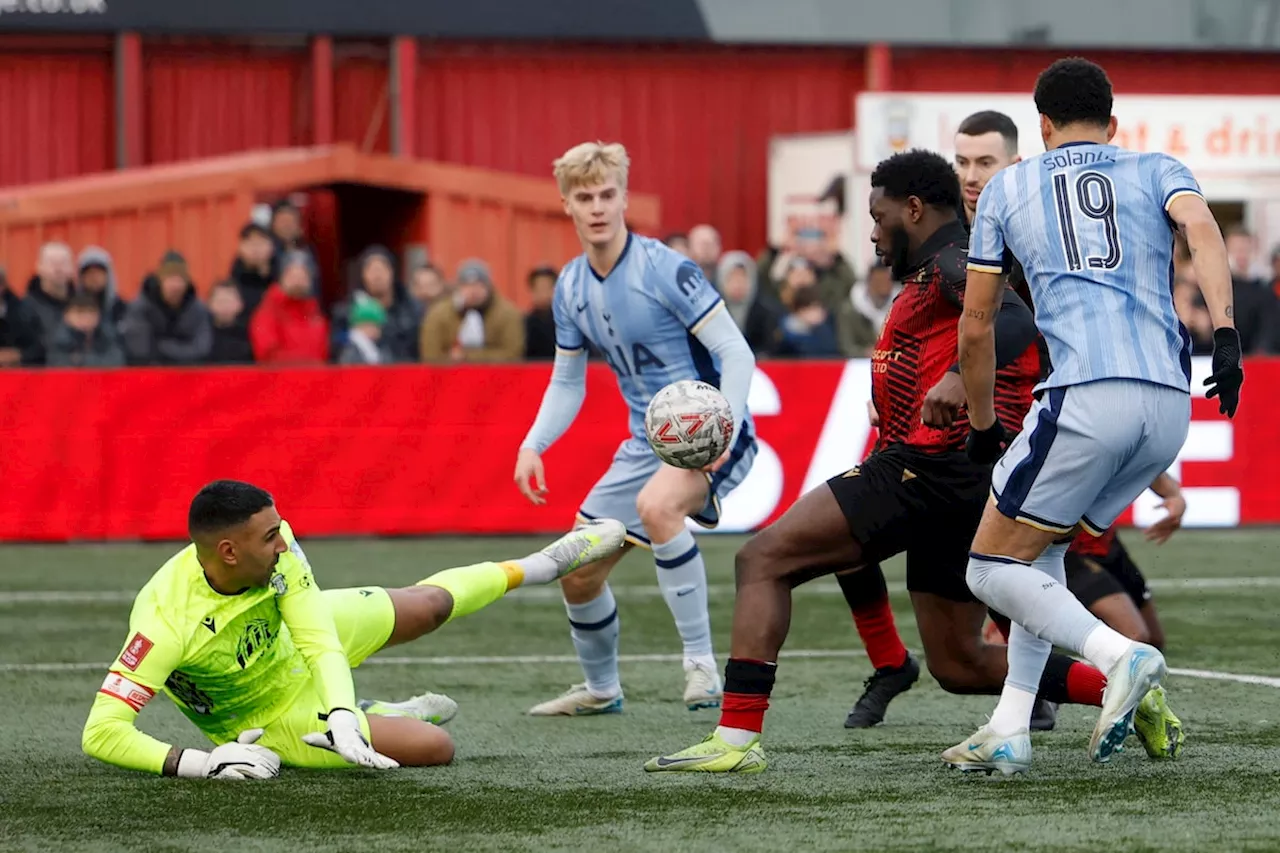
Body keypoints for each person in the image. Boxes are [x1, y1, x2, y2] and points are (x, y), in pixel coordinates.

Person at [645, 149, 1103, 775]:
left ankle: (736, 737)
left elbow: (1020, 322)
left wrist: (951, 378)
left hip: (926, 469)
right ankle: (1119, 686)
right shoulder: (932, 272)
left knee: (762, 560)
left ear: (912, 210)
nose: (871, 230)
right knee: (959, 665)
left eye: (877, 214)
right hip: (961, 479)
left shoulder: (950, 261)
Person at [951, 57, 1242, 774]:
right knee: (1041, 553)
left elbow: (977, 325)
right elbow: (1202, 227)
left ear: (1041, 126)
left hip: (1086, 393)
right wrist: (1227, 335)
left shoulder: (1009, 185)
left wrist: (985, 423)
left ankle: (1122, 655)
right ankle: (1010, 726)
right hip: (1170, 405)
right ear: (1114, 124)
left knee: (988, 567)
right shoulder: (1154, 166)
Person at [81, 479, 626, 778]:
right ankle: (388, 714)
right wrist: (199, 762)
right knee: (436, 747)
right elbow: (101, 732)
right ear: (228, 551)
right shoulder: (165, 623)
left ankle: (543, 564)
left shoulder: (280, 552)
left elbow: (318, 639)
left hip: (296, 641)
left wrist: (339, 710)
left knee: (430, 605)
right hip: (266, 716)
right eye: (270, 536)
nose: (284, 541)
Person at [513, 141, 757, 715]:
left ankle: (701, 666)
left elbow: (736, 353)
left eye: (606, 195)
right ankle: (602, 691)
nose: (597, 207)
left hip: (709, 436)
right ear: (567, 205)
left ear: (624, 199)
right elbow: (568, 382)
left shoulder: (666, 269)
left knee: (657, 506)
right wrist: (533, 443)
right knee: (577, 571)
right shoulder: (570, 287)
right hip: (644, 443)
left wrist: (725, 427)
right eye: (584, 197)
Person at [840, 110, 1062, 732]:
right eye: (962, 162)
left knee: (1040, 589)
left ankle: (1089, 671)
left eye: (984, 162)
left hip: (1008, 430)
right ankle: (899, 664)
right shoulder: (940, 235)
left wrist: (962, 383)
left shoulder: (1023, 232)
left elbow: (1015, 324)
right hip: (942, 433)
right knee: (847, 541)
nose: (970, 175)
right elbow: (945, 322)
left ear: (1012, 165)